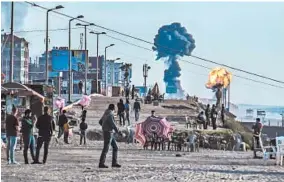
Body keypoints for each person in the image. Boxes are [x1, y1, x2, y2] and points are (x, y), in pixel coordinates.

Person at [98, 104, 121, 168]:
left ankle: (114, 162)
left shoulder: (105, 113)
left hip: (108, 132)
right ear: (113, 108)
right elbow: (113, 124)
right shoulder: (110, 114)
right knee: (106, 148)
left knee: (115, 147)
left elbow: (100, 122)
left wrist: (104, 127)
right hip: (109, 133)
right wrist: (118, 132)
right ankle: (101, 163)